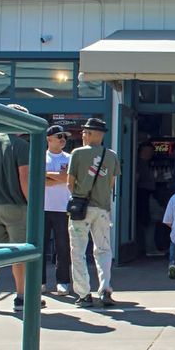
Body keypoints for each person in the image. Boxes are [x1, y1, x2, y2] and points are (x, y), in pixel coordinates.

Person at [0, 104, 43, 312]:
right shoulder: (22, 146)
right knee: (20, 253)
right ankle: (21, 297)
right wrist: (33, 205)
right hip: (17, 206)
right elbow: (25, 180)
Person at [67, 118, 121, 308]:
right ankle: (105, 288)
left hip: (81, 208)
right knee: (104, 249)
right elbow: (112, 183)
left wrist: (78, 194)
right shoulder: (111, 155)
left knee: (78, 251)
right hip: (103, 209)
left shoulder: (77, 153)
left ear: (90, 134)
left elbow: (69, 183)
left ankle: (83, 294)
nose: (82, 135)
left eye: (84, 132)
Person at [42, 125, 72, 295]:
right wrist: (59, 177)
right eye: (59, 136)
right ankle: (40, 282)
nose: (63, 139)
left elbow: (68, 178)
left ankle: (63, 281)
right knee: (41, 246)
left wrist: (48, 175)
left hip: (63, 208)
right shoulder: (40, 157)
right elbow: (37, 178)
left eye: (65, 137)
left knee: (63, 247)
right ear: (49, 139)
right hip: (43, 208)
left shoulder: (69, 158)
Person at [135, 142, 156, 257]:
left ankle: (148, 248)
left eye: (151, 151)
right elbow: (136, 179)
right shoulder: (139, 164)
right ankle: (146, 249)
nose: (150, 153)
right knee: (146, 221)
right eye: (147, 151)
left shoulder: (147, 164)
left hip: (148, 194)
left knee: (148, 220)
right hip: (142, 194)